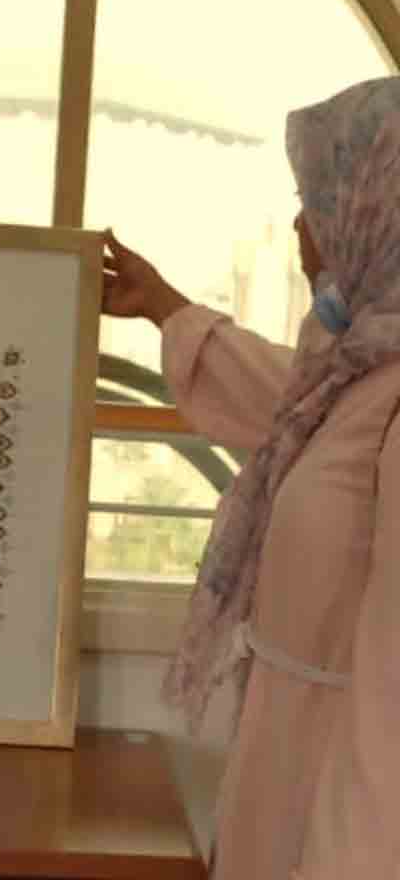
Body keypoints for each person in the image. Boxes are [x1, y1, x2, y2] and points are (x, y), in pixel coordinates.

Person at [101, 76, 400, 880]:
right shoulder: (356, 372)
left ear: (377, 210)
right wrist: (164, 306)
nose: (302, 225)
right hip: (289, 769)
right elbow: (285, 408)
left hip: (350, 817)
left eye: (320, 200)